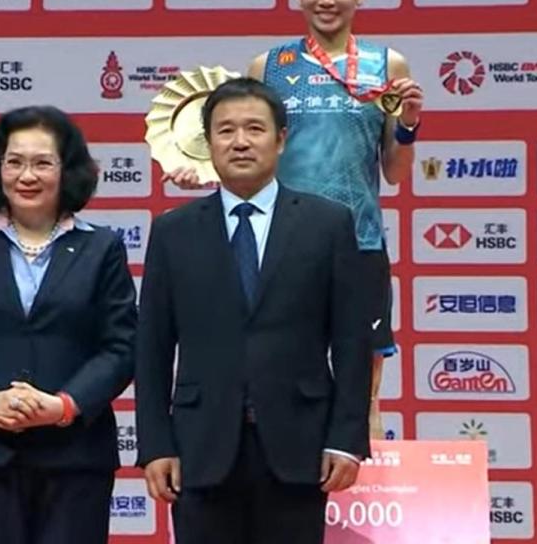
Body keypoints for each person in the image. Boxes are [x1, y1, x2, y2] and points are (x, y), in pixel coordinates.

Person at [167, 0, 423, 439]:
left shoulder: (389, 65)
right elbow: (248, 145)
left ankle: (364, 445)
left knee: (363, 367)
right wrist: (201, 170)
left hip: (357, 236)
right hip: (281, 240)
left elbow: (395, 170)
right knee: (279, 357)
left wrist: (407, 126)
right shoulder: (269, 66)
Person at [136, 78, 372, 543]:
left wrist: (346, 439)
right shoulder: (173, 232)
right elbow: (152, 347)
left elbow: (351, 341)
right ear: (208, 143)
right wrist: (155, 446)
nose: (240, 142)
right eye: (225, 131)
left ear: (281, 139)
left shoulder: (328, 225)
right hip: (199, 448)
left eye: (254, 129)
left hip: (298, 446)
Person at [0, 106, 137, 544]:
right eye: (14, 162)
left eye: (42, 162)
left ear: (67, 170)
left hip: (75, 455)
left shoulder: (101, 247)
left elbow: (122, 345)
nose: (26, 175)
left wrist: (65, 405)